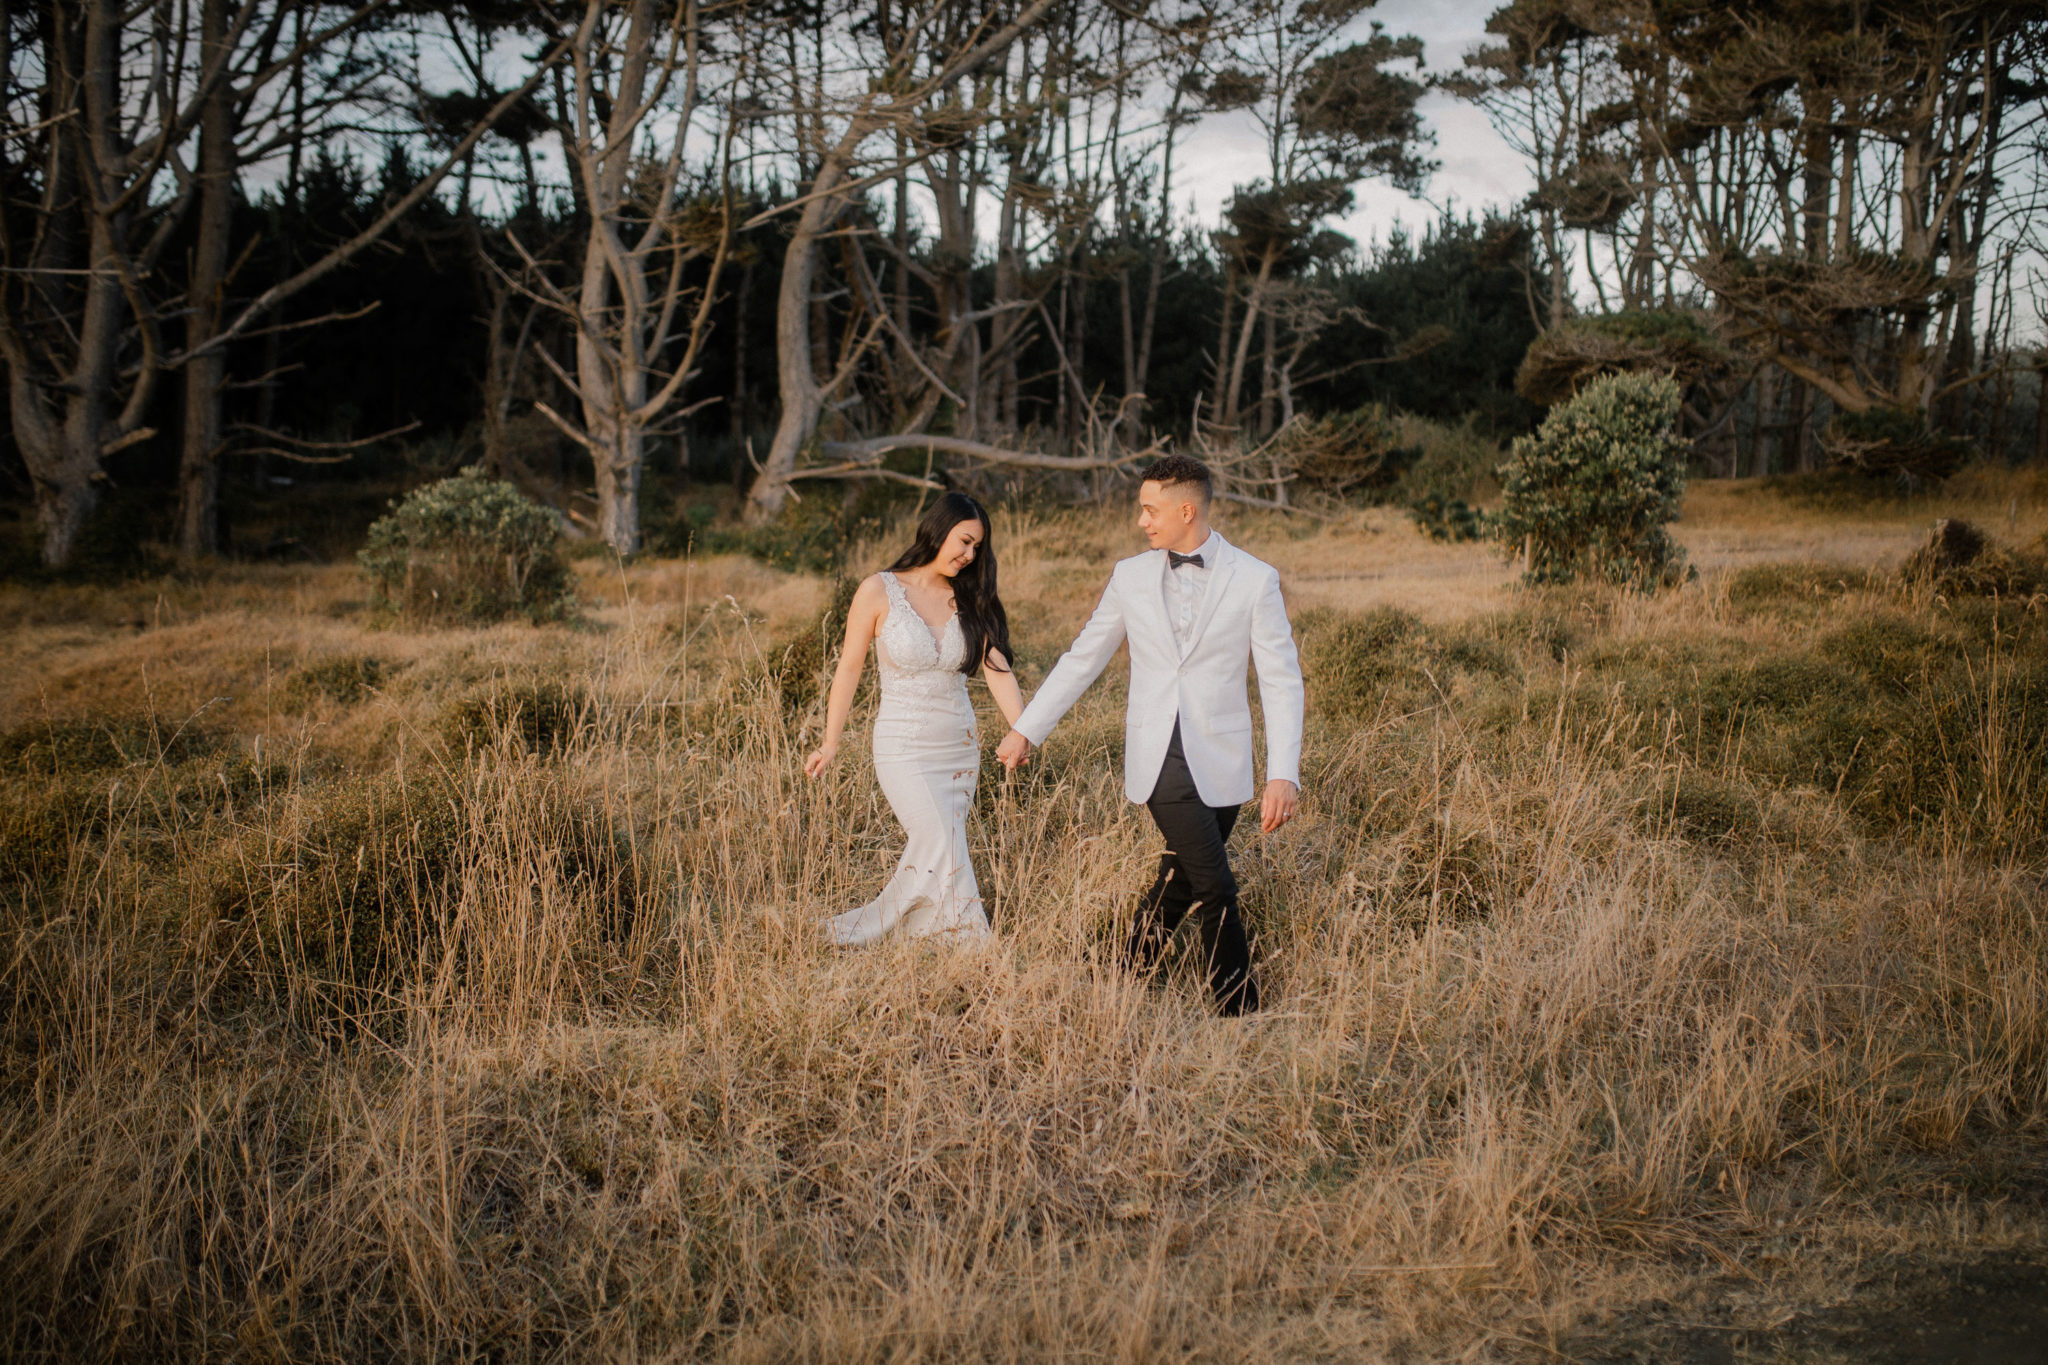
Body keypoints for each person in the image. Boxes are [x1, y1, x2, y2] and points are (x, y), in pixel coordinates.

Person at [996, 456, 1304, 1014]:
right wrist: (1027, 729)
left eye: (1150, 509)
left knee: (1181, 877)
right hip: (1158, 756)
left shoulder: (1255, 579)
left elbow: (1282, 679)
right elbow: (1083, 658)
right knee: (1215, 884)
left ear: (1186, 509)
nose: (1142, 521)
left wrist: (1283, 772)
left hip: (1223, 757)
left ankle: (1120, 973)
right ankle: (1238, 1007)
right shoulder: (1129, 577)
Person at [805, 491, 1024, 945]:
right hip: (902, 747)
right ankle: (966, 942)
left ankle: (924, 935)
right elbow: (848, 667)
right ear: (938, 530)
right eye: (963, 541)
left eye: (976, 549)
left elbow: (997, 669)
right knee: (938, 835)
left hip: (959, 746)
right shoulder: (878, 590)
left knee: (942, 843)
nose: (968, 555)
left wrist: (1022, 729)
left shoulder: (969, 597)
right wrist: (830, 742)